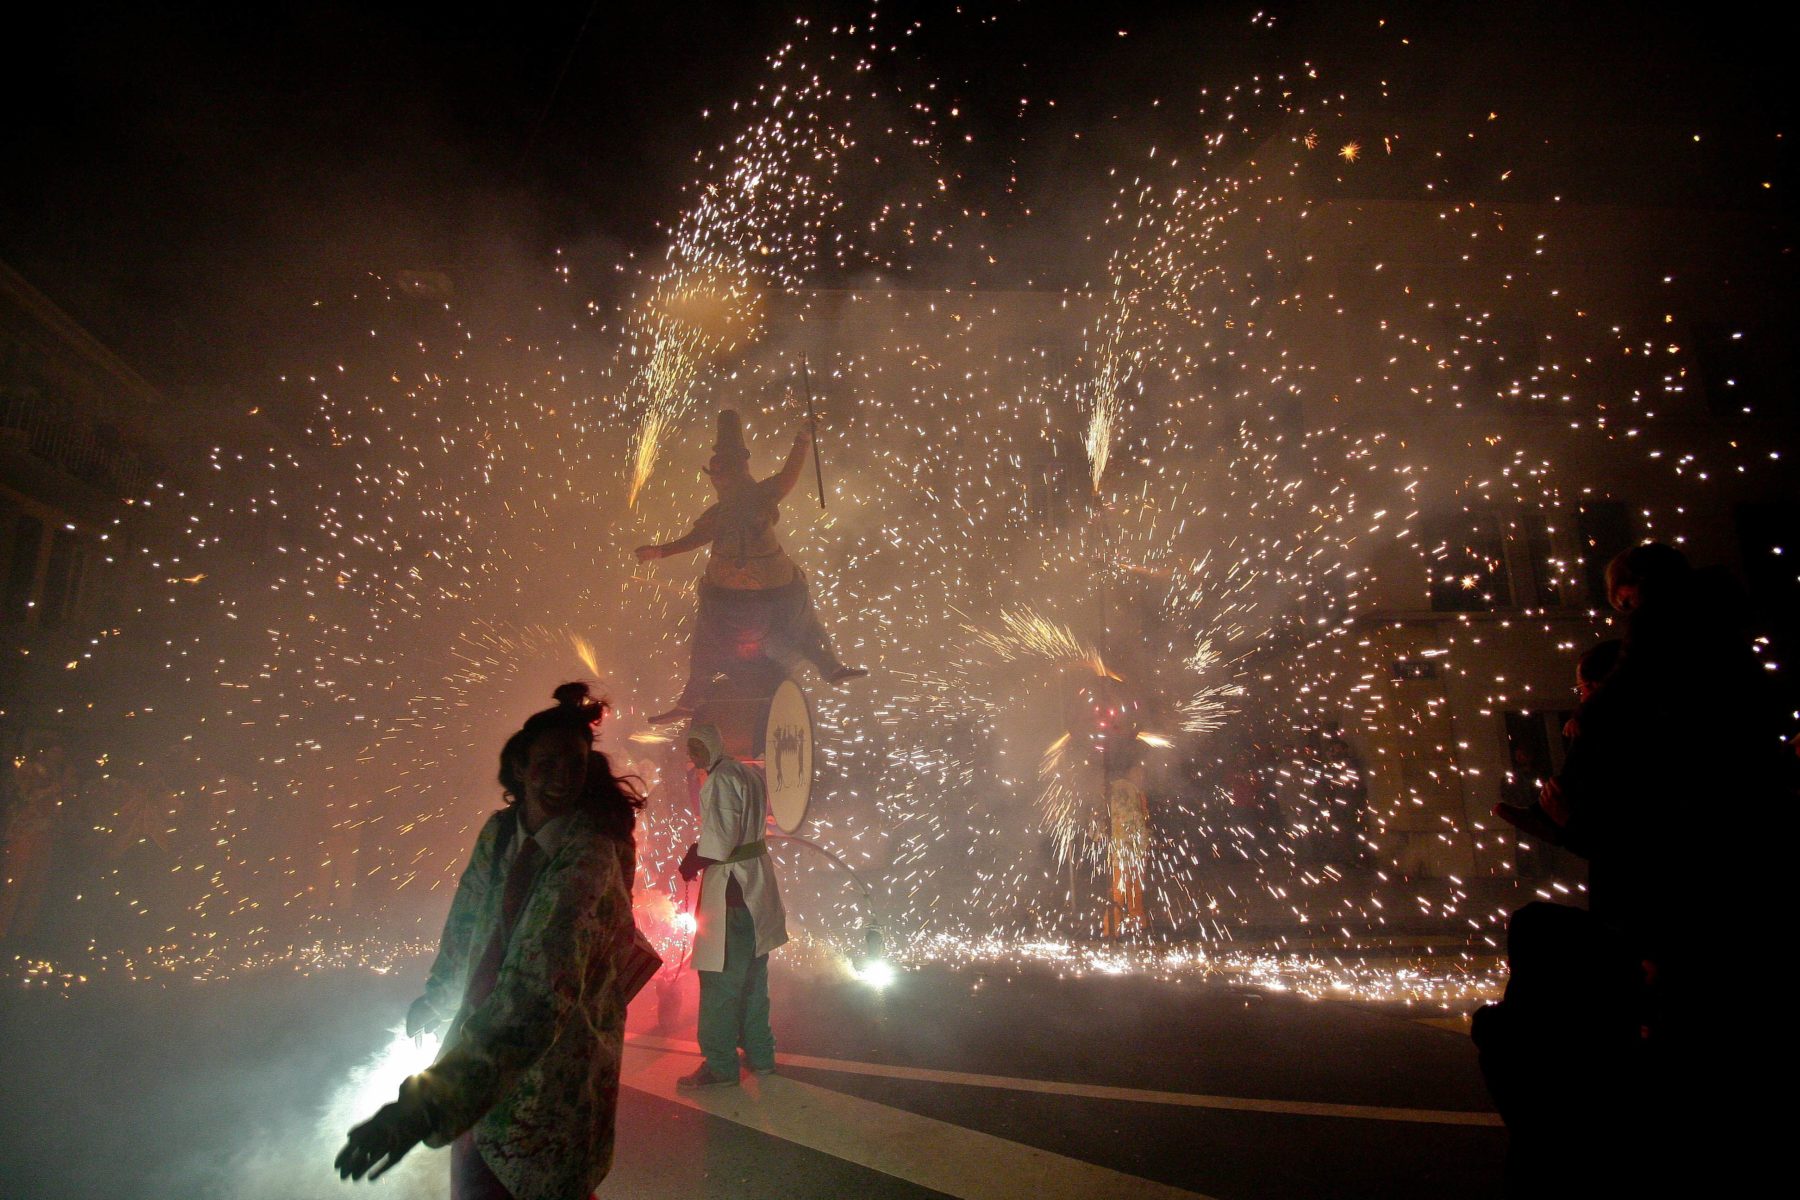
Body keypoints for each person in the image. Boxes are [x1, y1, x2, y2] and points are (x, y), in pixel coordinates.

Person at [336, 683, 643, 1199]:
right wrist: (438, 998)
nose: (561, 776)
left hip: (550, 1086)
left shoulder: (589, 857)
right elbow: (465, 927)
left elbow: (536, 995)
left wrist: (425, 1107)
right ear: (520, 767)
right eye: (547, 763)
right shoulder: (502, 833)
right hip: (478, 1075)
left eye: (574, 763)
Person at [636, 410, 865, 723]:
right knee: (705, 640)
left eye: (721, 473)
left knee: (802, 620)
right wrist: (660, 552)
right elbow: (695, 538)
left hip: (776, 587)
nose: (716, 479)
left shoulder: (761, 496)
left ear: (737, 471)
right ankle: (690, 700)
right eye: (714, 474)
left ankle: (829, 666)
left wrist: (802, 440)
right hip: (725, 592)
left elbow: (788, 475)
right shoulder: (717, 514)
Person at [675, 721, 787, 1088]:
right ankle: (761, 1056)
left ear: (712, 745)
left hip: (731, 897)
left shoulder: (719, 779)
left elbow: (720, 843)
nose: (692, 753)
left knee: (720, 985)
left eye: (697, 746)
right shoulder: (747, 773)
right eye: (690, 747)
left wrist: (694, 858)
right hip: (758, 892)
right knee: (753, 982)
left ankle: (721, 1066)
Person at [1102, 760, 1149, 937]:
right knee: (1120, 890)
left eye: (1142, 774)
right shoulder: (1125, 791)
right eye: (1137, 773)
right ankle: (1113, 929)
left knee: (1133, 890)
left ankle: (1133, 926)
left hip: (1131, 850)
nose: (1140, 777)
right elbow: (1136, 819)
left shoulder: (1132, 792)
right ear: (1130, 773)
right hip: (1124, 849)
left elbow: (1141, 821)